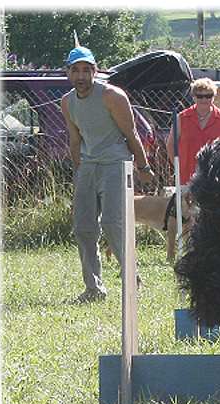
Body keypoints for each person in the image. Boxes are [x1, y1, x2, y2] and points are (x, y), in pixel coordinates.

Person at [61, 46, 154, 302]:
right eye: (75, 70)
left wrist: (144, 168)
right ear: (68, 73)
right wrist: (78, 172)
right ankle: (94, 289)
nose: (81, 76)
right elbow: (74, 140)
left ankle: (131, 279)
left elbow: (132, 134)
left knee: (113, 224)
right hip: (88, 167)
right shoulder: (67, 102)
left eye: (86, 70)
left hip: (116, 163)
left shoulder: (112, 96)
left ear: (95, 70)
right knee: (83, 227)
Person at [166, 78, 220, 185]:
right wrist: (178, 167)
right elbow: (170, 145)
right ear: (193, 97)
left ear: (214, 97)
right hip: (186, 177)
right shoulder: (181, 118)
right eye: (200, 96)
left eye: (208, 96)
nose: (204, 99)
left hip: (214, 178)